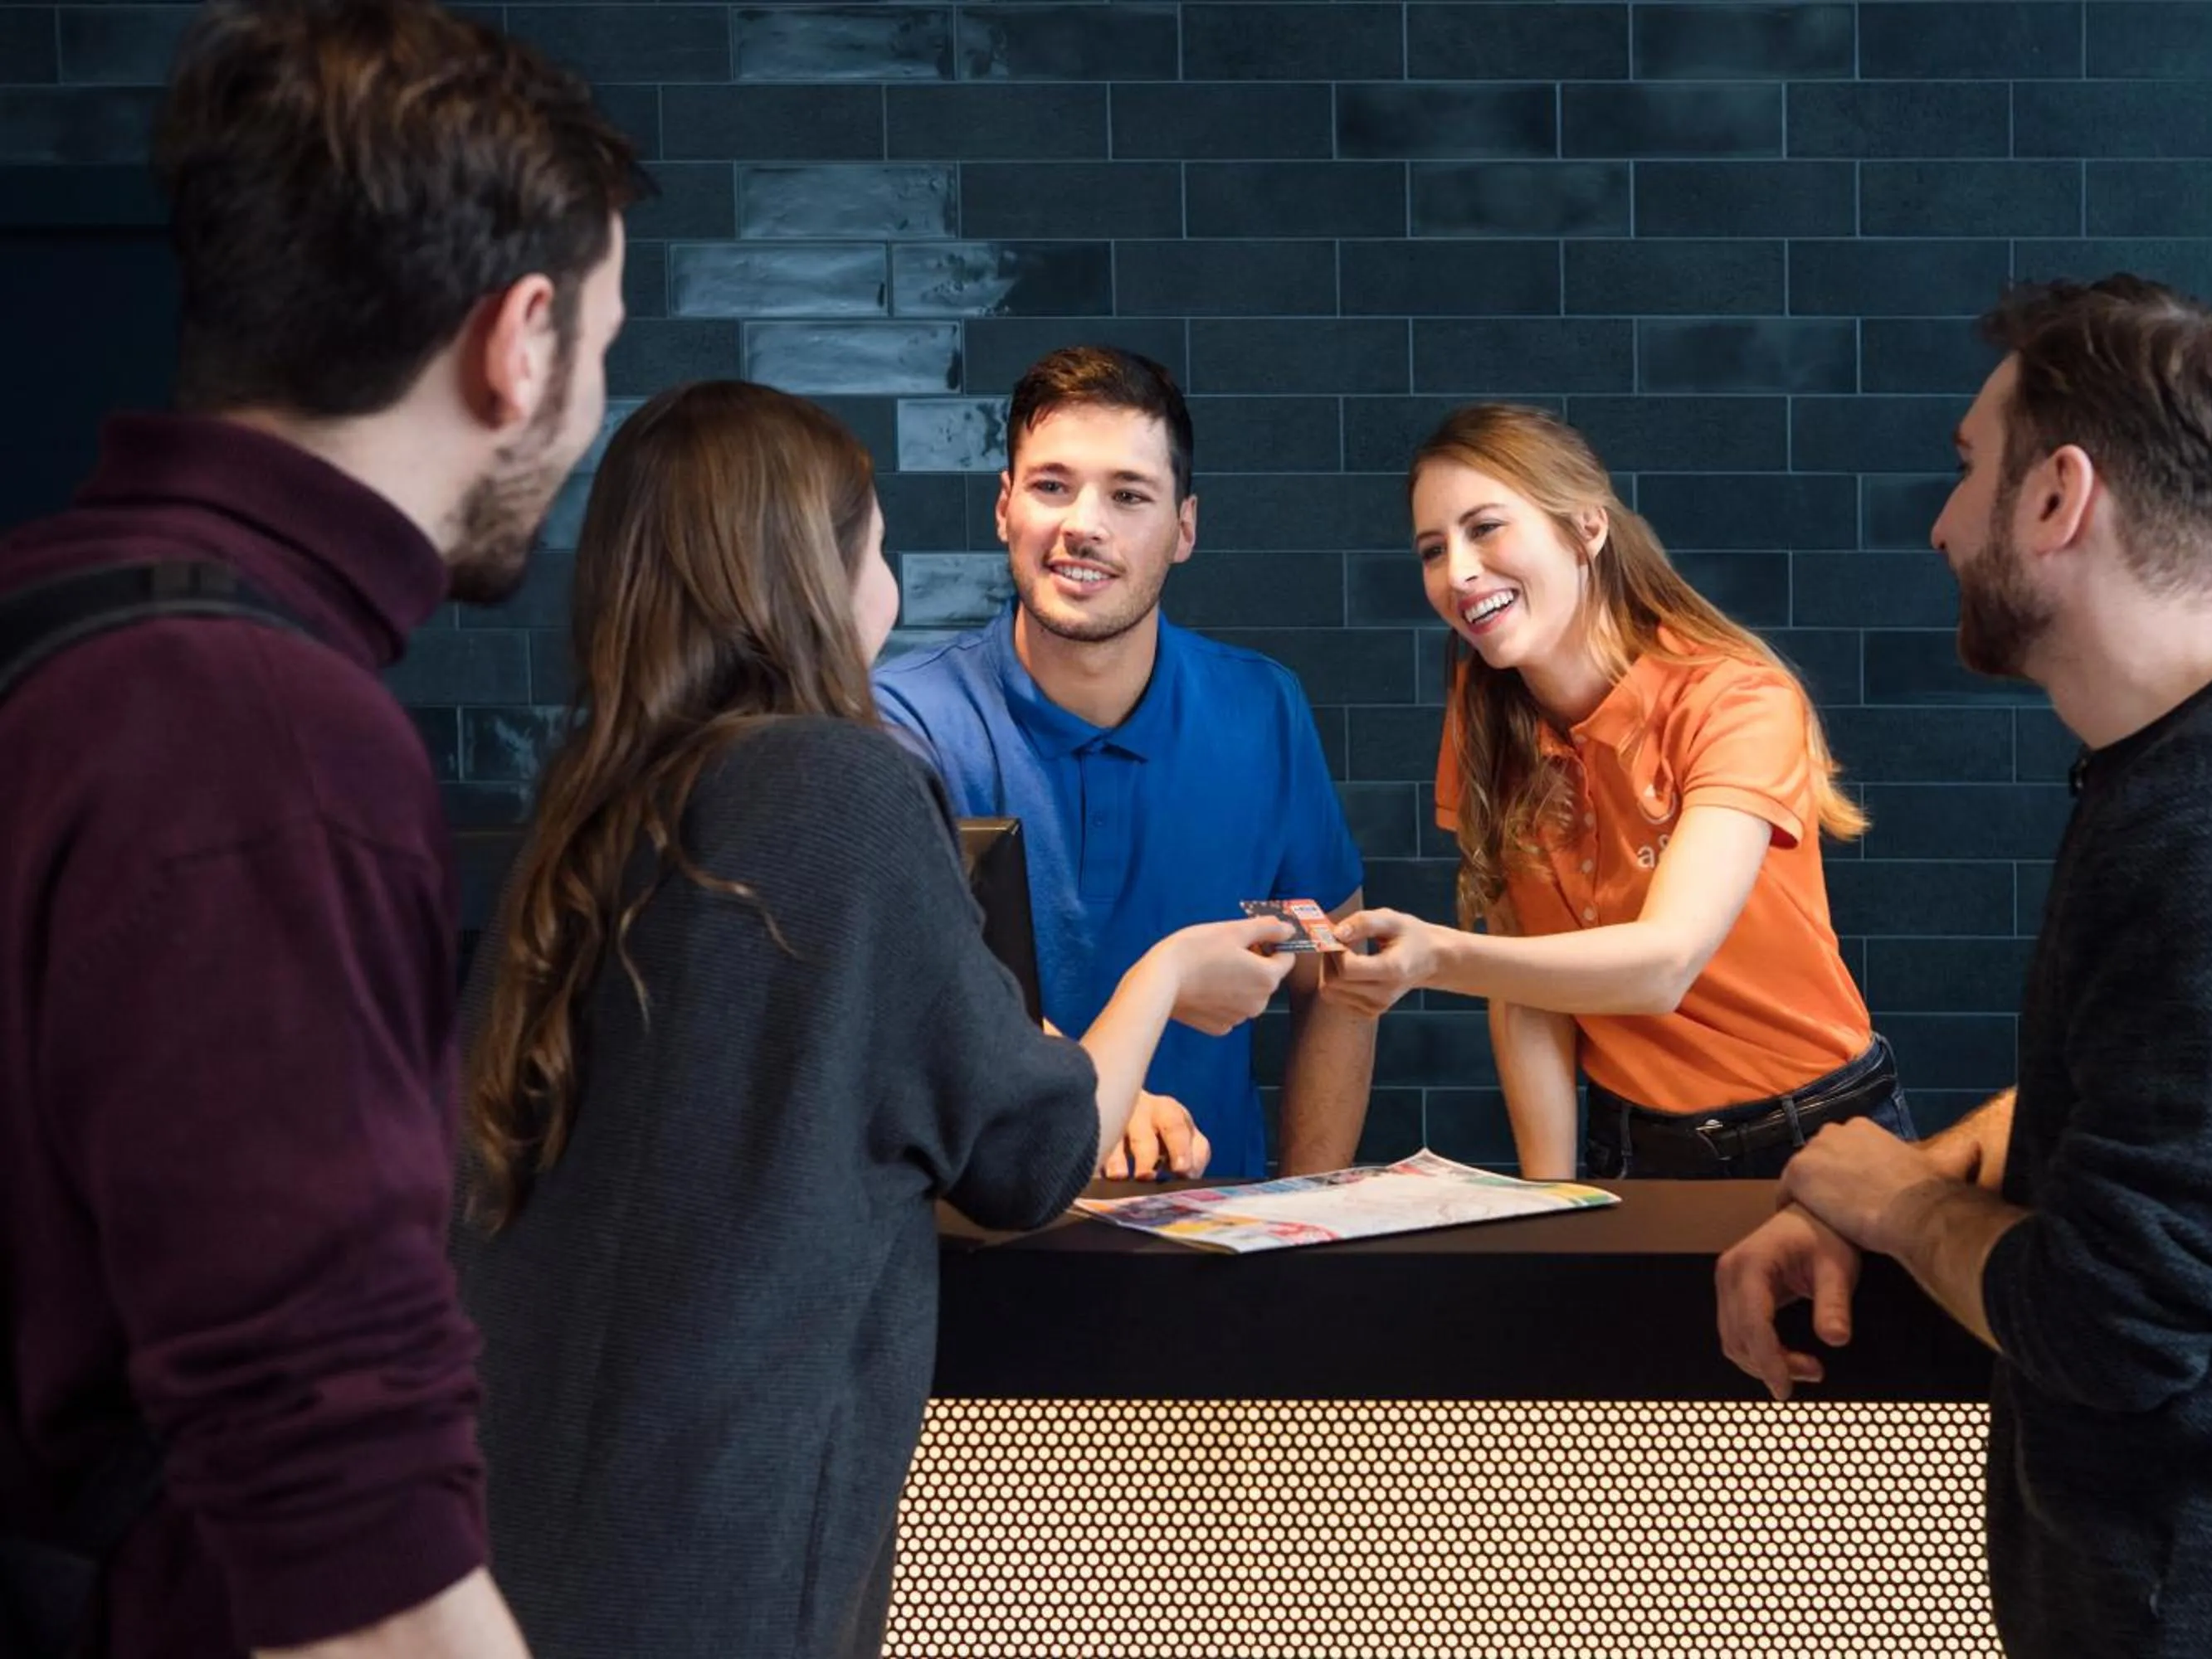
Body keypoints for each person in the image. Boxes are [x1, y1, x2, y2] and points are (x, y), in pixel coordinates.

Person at [452, 381, 1294, 1658]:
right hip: (718, 1534)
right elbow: (1023, 1154)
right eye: (879, 543)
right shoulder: (838, 783)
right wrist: (1165, 978)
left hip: (518, 1506)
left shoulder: (589, 803)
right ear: (811, 567)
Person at [1716, 276, 2212, 1656]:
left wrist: (1889, 1197)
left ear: (2058, 498)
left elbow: (2118, 1321)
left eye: (1967, 475)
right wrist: (1941, 1169)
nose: (1945, 529)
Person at [0, 1, 641, 1653]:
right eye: (606, 350)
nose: (586, 415)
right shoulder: (264, 742)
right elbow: (349, 1540)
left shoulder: (48, 626)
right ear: (520, 341)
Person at [1323, 403, 1909, 1180]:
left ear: (1586, 529)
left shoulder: (1736, 699)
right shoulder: (1484, 716)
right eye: (1433, 549)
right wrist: (1550, 1196)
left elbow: (1663, 964)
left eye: (1486, 527)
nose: (1458, 572)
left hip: (1814, 1136)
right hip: (1630, 1148)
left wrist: (1436, 959)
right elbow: (1526, 985)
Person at [875, 346, 1375, 1179]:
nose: (1083, 522)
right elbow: (921, 988)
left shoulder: (1262, 715)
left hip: (1219, 1240)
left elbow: (1333, 973)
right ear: (1005, 507)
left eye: (1128, 494)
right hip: (977, 1243)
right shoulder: (907, 722)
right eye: (1051, 485)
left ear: (1184, 528)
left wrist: (1306, 1203)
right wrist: (1089, 1090)